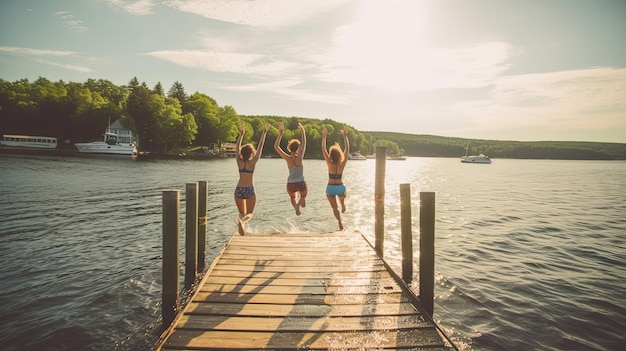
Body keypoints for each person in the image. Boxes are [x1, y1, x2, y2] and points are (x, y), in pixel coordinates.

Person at [234, 123, 269, 235]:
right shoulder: (253, 162)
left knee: (241, 212)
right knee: (249, 213)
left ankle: (242, 224)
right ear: (251, 153)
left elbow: (237, 148)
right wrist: (264, 133)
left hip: (238, 189)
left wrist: (241, 135)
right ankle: (243, 222)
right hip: (249, 189)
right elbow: (260, 147)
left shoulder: (239, 162)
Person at [274, 122, 308, 215]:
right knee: (304, 196)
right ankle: (298, 206)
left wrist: (280, 134)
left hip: (290, 183)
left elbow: (276, 147)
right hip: (300, 182)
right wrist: (303, 131)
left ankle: (296, 209)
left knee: (293, 198)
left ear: (289, 148)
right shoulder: (300, 157)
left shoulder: (287, 158)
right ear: (298, 148)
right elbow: (304, 142)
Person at [321, 126, 349, 230]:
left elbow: (323, 149)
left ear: (331, 155)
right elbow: (347, 149)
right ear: (339, 155)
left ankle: (340, 223)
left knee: (334, 208)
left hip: (330, 187)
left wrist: (324, 136)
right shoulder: (342, 164)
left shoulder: (329, 163)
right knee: (342, 196)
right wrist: (345, 137)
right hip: (340, 187)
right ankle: (343, 204)